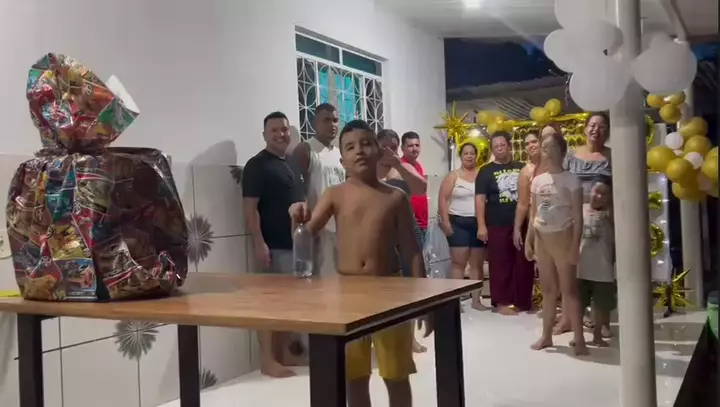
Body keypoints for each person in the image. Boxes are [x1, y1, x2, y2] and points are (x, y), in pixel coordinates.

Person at [290, 120, 432, 407]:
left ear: (379, 151)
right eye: (350, 147)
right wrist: (297, 215)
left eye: (366, 144)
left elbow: (412, 251)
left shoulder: (395, 196)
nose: (359, 151)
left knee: (396, 375)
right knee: (354, 376)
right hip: (349, 295)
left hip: (390, 292)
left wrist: (423, 301)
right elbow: (306, 234)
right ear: (342, 160)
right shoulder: (335, 194)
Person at [242, 111, 308, 377]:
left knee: (288, 304)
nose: (281, 134)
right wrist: (259, 243)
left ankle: (283, 355)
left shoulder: (292, 163)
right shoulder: (256, 165)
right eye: (274, 130)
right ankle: (267, 360)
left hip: (295, 247)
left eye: (284, 129)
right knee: (268, 305)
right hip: (272, 246)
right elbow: (250, 209)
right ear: (264, 135)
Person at [525, 133, 587, 355]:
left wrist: (575, 245)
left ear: (562, 151)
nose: (547, 152)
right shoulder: (538, 181)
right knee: (548, 289)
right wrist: (529, 240)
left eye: (551, 148)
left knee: (569, 290)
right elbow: (534, 214)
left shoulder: (571, 180)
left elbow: (578, 217)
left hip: (563, 236)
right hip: (542, 237)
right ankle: (546, 335)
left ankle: (579, 338)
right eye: (544, 148)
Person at [555, 112, 612, 334]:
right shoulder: (571, 156)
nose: (596, 129)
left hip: (602, 219)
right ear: (585, 128)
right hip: (573, 218)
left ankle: (602, 321)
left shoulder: (613, 156)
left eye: (602, 126)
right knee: (571, 271)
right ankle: (569, 318)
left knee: (602, 272)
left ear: (607, 131)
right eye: (592, 125)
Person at [377, 129, 429, 353]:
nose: (389, 151)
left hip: (407, 231)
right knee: (382, 289)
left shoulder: (402, 168)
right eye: (384, 146)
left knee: (410, 286)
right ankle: (383, 338)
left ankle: (410, 338)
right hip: (380, 235)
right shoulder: (368, 170)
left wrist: (398, 165)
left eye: (393, 147)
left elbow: (422, 188)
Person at [475, 132, 534, 315]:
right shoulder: (485, 171)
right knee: (500, 263)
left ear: (509, 145)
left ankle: (523, 301)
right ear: (492, 149)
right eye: (496, 146)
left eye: (502, 144)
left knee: (524, 262)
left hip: (522, 223)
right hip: (497, 223)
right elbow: (480, 199)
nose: (499, 148)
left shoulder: (522, 167)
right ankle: (502, 302)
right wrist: (481, 225)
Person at [291, 103, 346, 275]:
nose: (332, 125)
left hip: (340, 227)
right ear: (315, 123)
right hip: (318, 228)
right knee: (320, 279)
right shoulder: (305, 149)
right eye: (326, 120)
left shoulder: (340, 153)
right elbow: (296, 189)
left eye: (335, 120)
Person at [438, 142, 487, 311]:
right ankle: (456, 301)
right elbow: (443, 199)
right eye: (466, 153)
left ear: (476, 156)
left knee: (477, 264)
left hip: (478, 223)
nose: (469, 156)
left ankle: (476, 300)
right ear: (460, 156)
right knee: (458, 263)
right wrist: (445, 222)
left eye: (472, 153)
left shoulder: (482, 175)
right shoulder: (453, 176)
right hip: (457, 223)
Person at [578, 175, 615, 346]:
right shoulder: (580, 209)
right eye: (596, 192)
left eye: (604, 194)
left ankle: (597, 334)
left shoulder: (612, 215)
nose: (599, 196)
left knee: (601, 305)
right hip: (580, 267)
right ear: (590, 191)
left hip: (603, 268)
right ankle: (578, 335)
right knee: (579, 303)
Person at [400, 131, 429, 240]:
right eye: (410, 146)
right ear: (402, 148)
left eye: (417, 145)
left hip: (422, 222)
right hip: (410, 224)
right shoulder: (400, 167)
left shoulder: (418, 166)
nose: (414, 148)